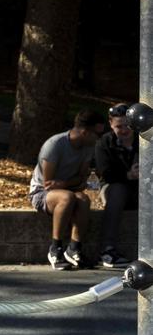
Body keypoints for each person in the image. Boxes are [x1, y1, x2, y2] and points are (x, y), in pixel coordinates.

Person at [28, 110, 105, 271]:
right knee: (67, 198)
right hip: (41, 194)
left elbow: (82, 179)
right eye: (97, 134)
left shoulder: (87, 147)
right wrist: (71, 183)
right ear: (85, 132)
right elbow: (48, 184)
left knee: (83, 200)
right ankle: (55, 249)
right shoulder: (54, 145)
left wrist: (66, 182)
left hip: (67, 189)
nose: (99, 138)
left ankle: (74, 249)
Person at [95, 103, 138, 268]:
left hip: (142, 188)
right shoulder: (104, 143)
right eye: (119, 126)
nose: (125, 130)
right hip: (114, 188)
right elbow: (105, 173)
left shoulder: (145, 140)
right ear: (111, 123)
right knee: (118, 190)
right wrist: (128, 175)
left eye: (128, 125)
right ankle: (108, 249)